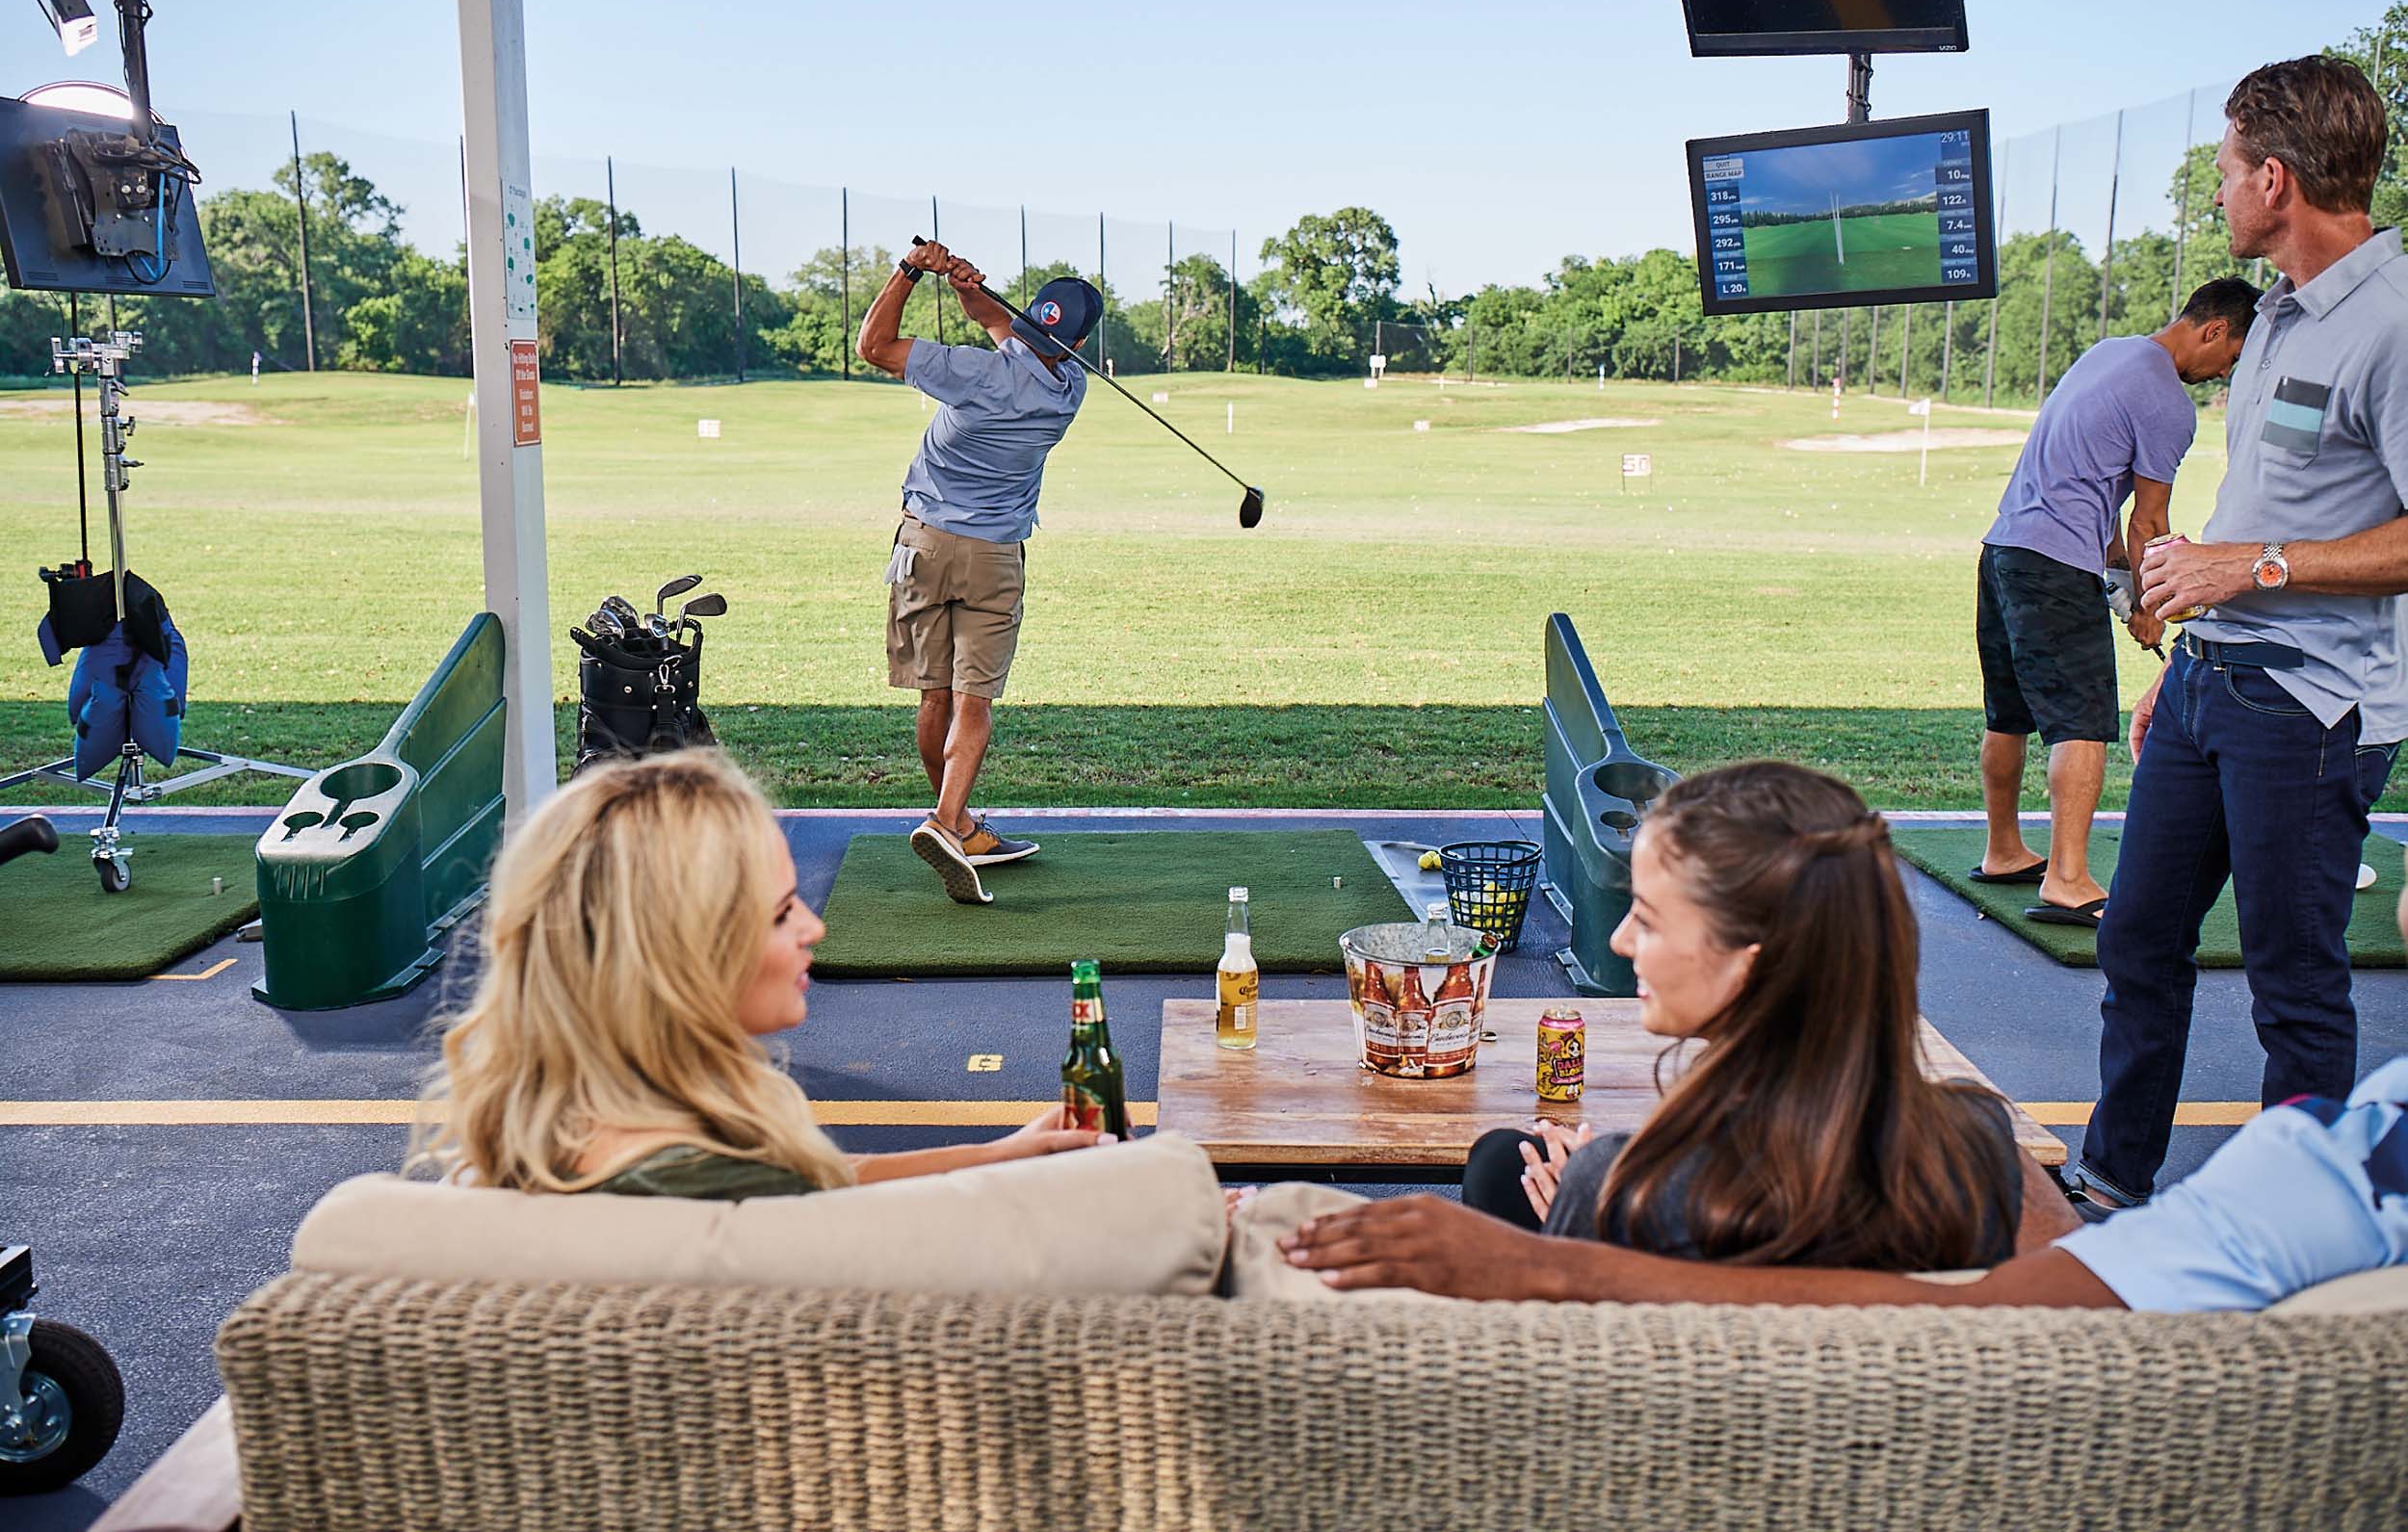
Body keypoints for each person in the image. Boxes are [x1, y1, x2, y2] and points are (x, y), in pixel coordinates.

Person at [2076, 54, 2408, 1213]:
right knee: (2136, 939)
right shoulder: (2267, 317)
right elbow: (2274, 503)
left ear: (2274, 180)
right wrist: (2193, 637)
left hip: (2312, 707)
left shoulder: (2395, 321)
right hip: (2209, 681)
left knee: (2292, 984)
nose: (2216, 192)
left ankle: (2297, 1226)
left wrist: (2250, 567)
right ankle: (2111, 1185)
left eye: (2224, 171)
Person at [1452, 761, 2073, 1271]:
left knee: (1504, 1165)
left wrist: (1582, 1235)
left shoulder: (1628, 1194)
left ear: (1748, 967)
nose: (1620, 940)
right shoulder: (1978, 1148)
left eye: (1648, 918)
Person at [407, 749, 1108, 1198]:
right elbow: (805, 1199)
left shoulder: (558, 1140)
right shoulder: (724, 1190)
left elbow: (824, 1184)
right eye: (779, 913)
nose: (814, 928)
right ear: (678, 954)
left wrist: (1000, 1154)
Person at [1278, 1052, 2408, 1311]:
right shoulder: (2350, 1170)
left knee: (1508, 1167)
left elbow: (1984, 1313)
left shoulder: (2312, 1194)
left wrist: (1556, 1256)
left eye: (1650, 917)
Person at [1973, 278, 2260, 928]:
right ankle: (2067, 878)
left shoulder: (2108, 353)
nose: (2225, 373)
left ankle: (2003, 850)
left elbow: (2096, 498)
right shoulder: (2169, 402)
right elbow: (2148, 522)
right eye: (2232, 357)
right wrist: (2153, 607)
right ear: (2215, 330)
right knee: (2082, 722)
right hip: (2053, 567)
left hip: (2003, 550)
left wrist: (2124, 588)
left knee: (2008, 712)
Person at [855, 242, 1103, 906]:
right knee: (973, 701)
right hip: (993, 557)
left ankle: (949, 822)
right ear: (1077, 342)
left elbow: (874, 346)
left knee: (934, 696)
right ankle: (954, 823)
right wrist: (969, 289)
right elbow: (1002, 326)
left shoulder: (972, 374)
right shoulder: (1069, 388)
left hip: (925, 546)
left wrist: (913, 271)